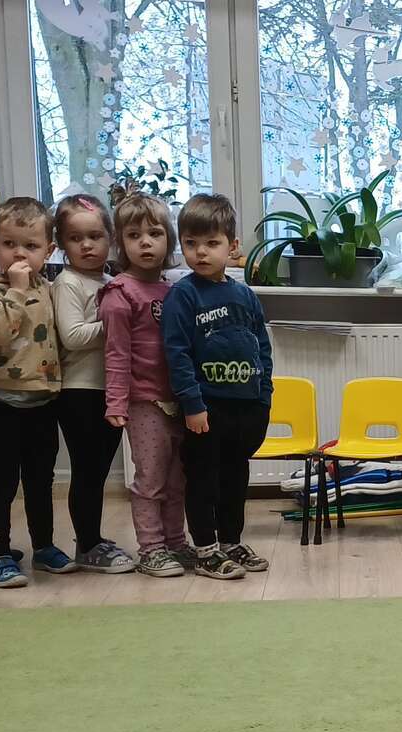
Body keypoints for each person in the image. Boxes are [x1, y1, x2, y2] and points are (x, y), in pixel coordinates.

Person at [162, 193, 273, 580]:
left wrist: (263, 398)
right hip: (206, 408)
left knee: (234, 479)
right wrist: (192, 405)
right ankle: (205, 549)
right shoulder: (183, 295)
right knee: (203, 480)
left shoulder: (245, 295)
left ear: (232, 245)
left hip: (246, 406)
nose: (201, 252)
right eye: (191, 243)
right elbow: (177, 354)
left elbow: (262, 348)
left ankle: (230, 541)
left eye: (212, 243)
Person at [101, 187, 192, 577]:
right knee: (150, 480)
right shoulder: (119, 293)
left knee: (177, 480)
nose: (145, 243)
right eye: (134, 235)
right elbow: (116, 353)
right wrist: (116, 402)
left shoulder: (174, 291)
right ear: (121, 244)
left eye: (154, 234)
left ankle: (175, 543)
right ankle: (151, 549)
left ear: (168, 240)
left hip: (178, 400)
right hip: (143, 402)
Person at [0, 196, 64, 588]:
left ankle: (43, 545)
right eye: (10, 244)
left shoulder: (48, 287)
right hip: (1, 403)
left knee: (41, 481)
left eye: (31, 245)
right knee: (0, 483)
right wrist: (15, 289)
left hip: (42, 401)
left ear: (49, 250)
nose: (20, 253)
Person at [49, 193, 134, 573]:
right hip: (80, 392)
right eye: (75, 238)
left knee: (98, 471)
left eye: (95, 236)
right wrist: (115, 323)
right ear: (61, 244)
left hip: (111, 391)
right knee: (87, 471)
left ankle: (93, 538)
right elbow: (72, 336)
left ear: (110, 239)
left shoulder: (111, 282)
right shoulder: (68, 283)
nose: (86, 245)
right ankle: (87, 545)